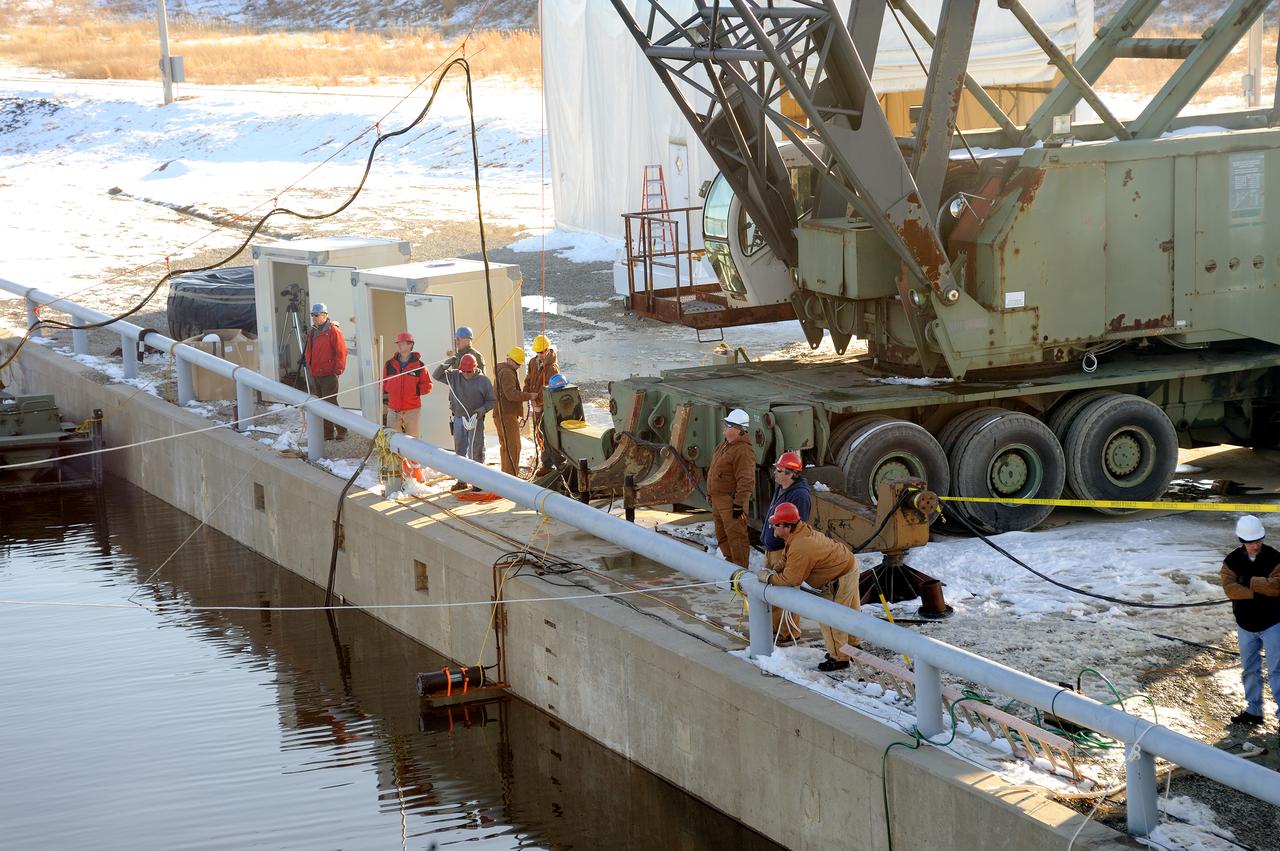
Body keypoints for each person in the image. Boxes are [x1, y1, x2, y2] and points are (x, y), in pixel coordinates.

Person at [757, 502, 861, 672]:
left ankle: (839, 658)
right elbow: (787, 557)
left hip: (838, 577)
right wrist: (775, 569)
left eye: (776, 525)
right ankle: (854, 645)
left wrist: (769, 578)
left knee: (830, 617)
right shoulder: (799, 532)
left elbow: (791, 579)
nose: (772, 528)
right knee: (850, 611)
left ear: (787, 526)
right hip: (847, 565)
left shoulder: (801, 546)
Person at [1220, 514, 1280, 728]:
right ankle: (1253, 711)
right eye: (1252, 542)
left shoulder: (1274, 557)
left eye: (1259, 540)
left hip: (1273, 624)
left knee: (1277, 670)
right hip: (1245, 625)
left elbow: (1277, 586)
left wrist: (1247, 581)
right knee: (1249, 669)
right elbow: (1230, 589)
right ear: (1242, 541)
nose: (1256, 545)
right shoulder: (1231, 561)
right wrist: (1259, 590)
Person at [760, 451, 812, 640]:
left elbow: (798, 528)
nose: (775, 473)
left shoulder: (799, 496)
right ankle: (777, 629)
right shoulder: (782, 487)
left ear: (790, 473)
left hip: (782, 550)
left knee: (786, 592)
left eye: (779, 470)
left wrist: (786, 553)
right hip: (772, 548)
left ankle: (788, 632)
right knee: (773, 592)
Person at [432, 353, 495, 491]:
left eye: (469, 371)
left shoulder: (483, 381)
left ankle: (477, 481)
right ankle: (461, 481)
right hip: (459, 418)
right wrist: (445, 364)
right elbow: (436, 375)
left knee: (475, 449)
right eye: (464, 371)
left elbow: (492, 400)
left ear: (475, 368)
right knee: (459, 449)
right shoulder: (455, 376)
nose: (466, 374)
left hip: (475, 419)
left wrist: (481, 411)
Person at [708, 408, 755, 568]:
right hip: (718, 500)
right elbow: (715, 470)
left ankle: (741, 572)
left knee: (737, 538)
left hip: (730, 502)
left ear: (739, 430)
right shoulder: (724, 446)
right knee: (722, 536)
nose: (725, 427)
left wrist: (738, 505)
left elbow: (746, 480)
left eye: (728, 425)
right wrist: (710, 494)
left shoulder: (743, 451)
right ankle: (731, 568)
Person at [302, 302, 348, 441]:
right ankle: (327, 433)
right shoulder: (312, 331)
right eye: (312, 315)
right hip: (316, 372)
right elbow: (310, 350)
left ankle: (342, 430)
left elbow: (341, 352)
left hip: (328, 374)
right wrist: (310, 366)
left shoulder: (333, 331)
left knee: (330, 403)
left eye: (316, 315)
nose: (314, 318)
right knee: (322, 404)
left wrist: (337, 371)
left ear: (324, 315)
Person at [382, 332, 432, 438]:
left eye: (402, 343)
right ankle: (397, 456)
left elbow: (428, 384)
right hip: (393, 410)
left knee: (413, 441)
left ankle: (412, 456)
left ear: (410, 345)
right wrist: (387, 391)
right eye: (398, 343)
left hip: (412, 411)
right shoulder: (389, 364)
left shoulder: (420, 366)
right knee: (392, 440)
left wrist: (416, 391)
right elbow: (384, 382)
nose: (399, 345)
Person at [523, 334, 560, 475]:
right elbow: (528, 379)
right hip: (536, 404)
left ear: (547, 350)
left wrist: (536, 397)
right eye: (537, 352)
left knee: (550, 435)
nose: (539, 355)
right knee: (540, 435)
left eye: (541, 352)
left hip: (547, 407)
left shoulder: (552, 368)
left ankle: (558, 464)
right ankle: (546, 464)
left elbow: (550, 388)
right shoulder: (533, 362)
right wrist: (526, 393)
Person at [495, 347, 527, 476]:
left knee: (505, 446)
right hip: (507, 414)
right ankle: (511, 478)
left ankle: (505, 476)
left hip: (499, 414)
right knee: (513, 447)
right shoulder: (507, 372)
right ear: (511, 360)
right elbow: (511, 394)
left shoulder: (501, 370)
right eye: (518, 363)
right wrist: (529, 395)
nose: (519, 366)